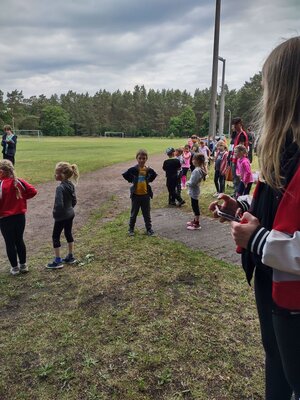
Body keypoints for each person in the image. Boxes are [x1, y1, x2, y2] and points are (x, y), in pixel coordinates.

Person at [210, 37, 300, 399]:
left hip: (293, 300)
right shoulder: (284, 149)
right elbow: (279, 210)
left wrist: (258, 240)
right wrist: (242, 208)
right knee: (276, 366)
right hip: (273, 286)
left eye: (265, 86)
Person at [0, 160, 37, 275]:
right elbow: (33, 191)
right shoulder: (19, 181)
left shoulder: (1, 184)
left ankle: (15, 268)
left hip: (5, 219)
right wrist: (22, 199)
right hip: (20, 217)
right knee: (19, 240)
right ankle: (23, 265)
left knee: (9, 243)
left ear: (2, 172)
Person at [47, 162, 79, 269]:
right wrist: (69, 209)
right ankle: (70, 256)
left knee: (55, 236)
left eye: (56, 173)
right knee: (68, 233)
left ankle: (57, 261)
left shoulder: (60, 188)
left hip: (62, 216)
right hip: (70, 214)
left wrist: (56, 214)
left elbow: (59, 204)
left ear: (62, 175)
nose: (55, 175)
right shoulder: (71, 185)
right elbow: (74, 201)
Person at [122, 149, 157, 237]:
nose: (141, 160)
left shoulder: (148, 170)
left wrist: (148, 180)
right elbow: (125, 175)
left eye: (144, 158)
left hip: (145, 195)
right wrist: (132, 180)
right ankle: (131, 229)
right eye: (140, 158)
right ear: (137, 158)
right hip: (136, 196)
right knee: (134, 213)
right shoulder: (134, 169)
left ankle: (149, 229)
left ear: (146, 159)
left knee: (146, 214)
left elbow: (154, 175)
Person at [228, 118, 248, 196]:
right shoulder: (238, 133)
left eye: (235, 125)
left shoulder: (242, 134)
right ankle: (236, 193)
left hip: (238, 161)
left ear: (239, 124)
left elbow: (241, 148)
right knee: (235, 178)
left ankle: (238, 195)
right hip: (235, 159)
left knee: (237, 179)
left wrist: (238, 160)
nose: (234, 127)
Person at [186, 154, 206, 231]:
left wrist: (187, 183)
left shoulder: (196, 171)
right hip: (195, 190)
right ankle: (194, 220)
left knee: (195, 207)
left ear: (197, 161)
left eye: (193, 159)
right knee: (194, 205)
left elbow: (193, 182)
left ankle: (196, 224)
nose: (192, 161)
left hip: (194, 190)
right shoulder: (199, 169)